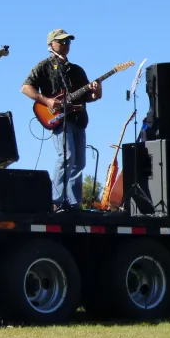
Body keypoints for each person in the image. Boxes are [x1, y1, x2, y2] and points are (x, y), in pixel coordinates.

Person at [21, 29, 102, 210]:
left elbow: (89, 97)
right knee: (67, 156)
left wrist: (97, 91)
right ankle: (57, 202)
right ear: (51, 45)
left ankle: (73, 204)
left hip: (79, 120)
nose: (66, 45)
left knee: (79, 162)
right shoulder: (44, 66)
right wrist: (47, 100)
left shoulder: (76, 70)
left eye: (68, 42)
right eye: (62, 42)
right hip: (59, 120)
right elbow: (26, 88)